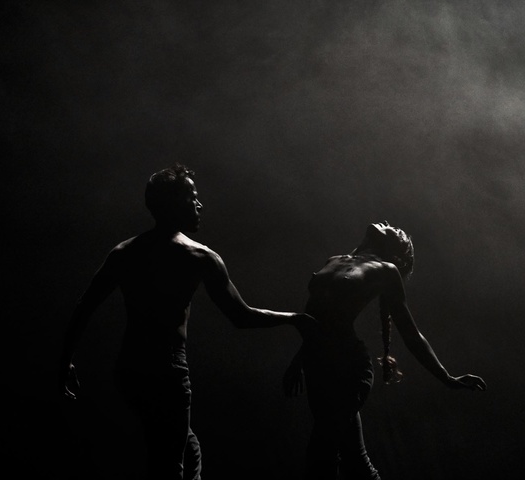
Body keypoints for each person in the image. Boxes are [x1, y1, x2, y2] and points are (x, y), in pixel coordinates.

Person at [58, 163, 314, 480]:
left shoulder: (125, 252)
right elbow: (240, 316)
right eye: (192, 196)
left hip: (129, 368)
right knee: (169, 464)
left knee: (184, 451)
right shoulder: (199, 256)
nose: (200, 204)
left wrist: (65, 360)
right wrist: (293, 318)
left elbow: (85, 305)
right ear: (175, 204)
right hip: (166, 369)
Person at [282, 221, 486, 480]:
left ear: (395, 250)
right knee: (355, 462)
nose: (387, 223)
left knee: (321, 453)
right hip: (317, 366)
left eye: (394, 229)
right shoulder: (334, 259)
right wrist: (300, 359)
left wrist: (446, 378)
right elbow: (315, 317)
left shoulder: (386, 271)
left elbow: (411, 334)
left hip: (348, 368)